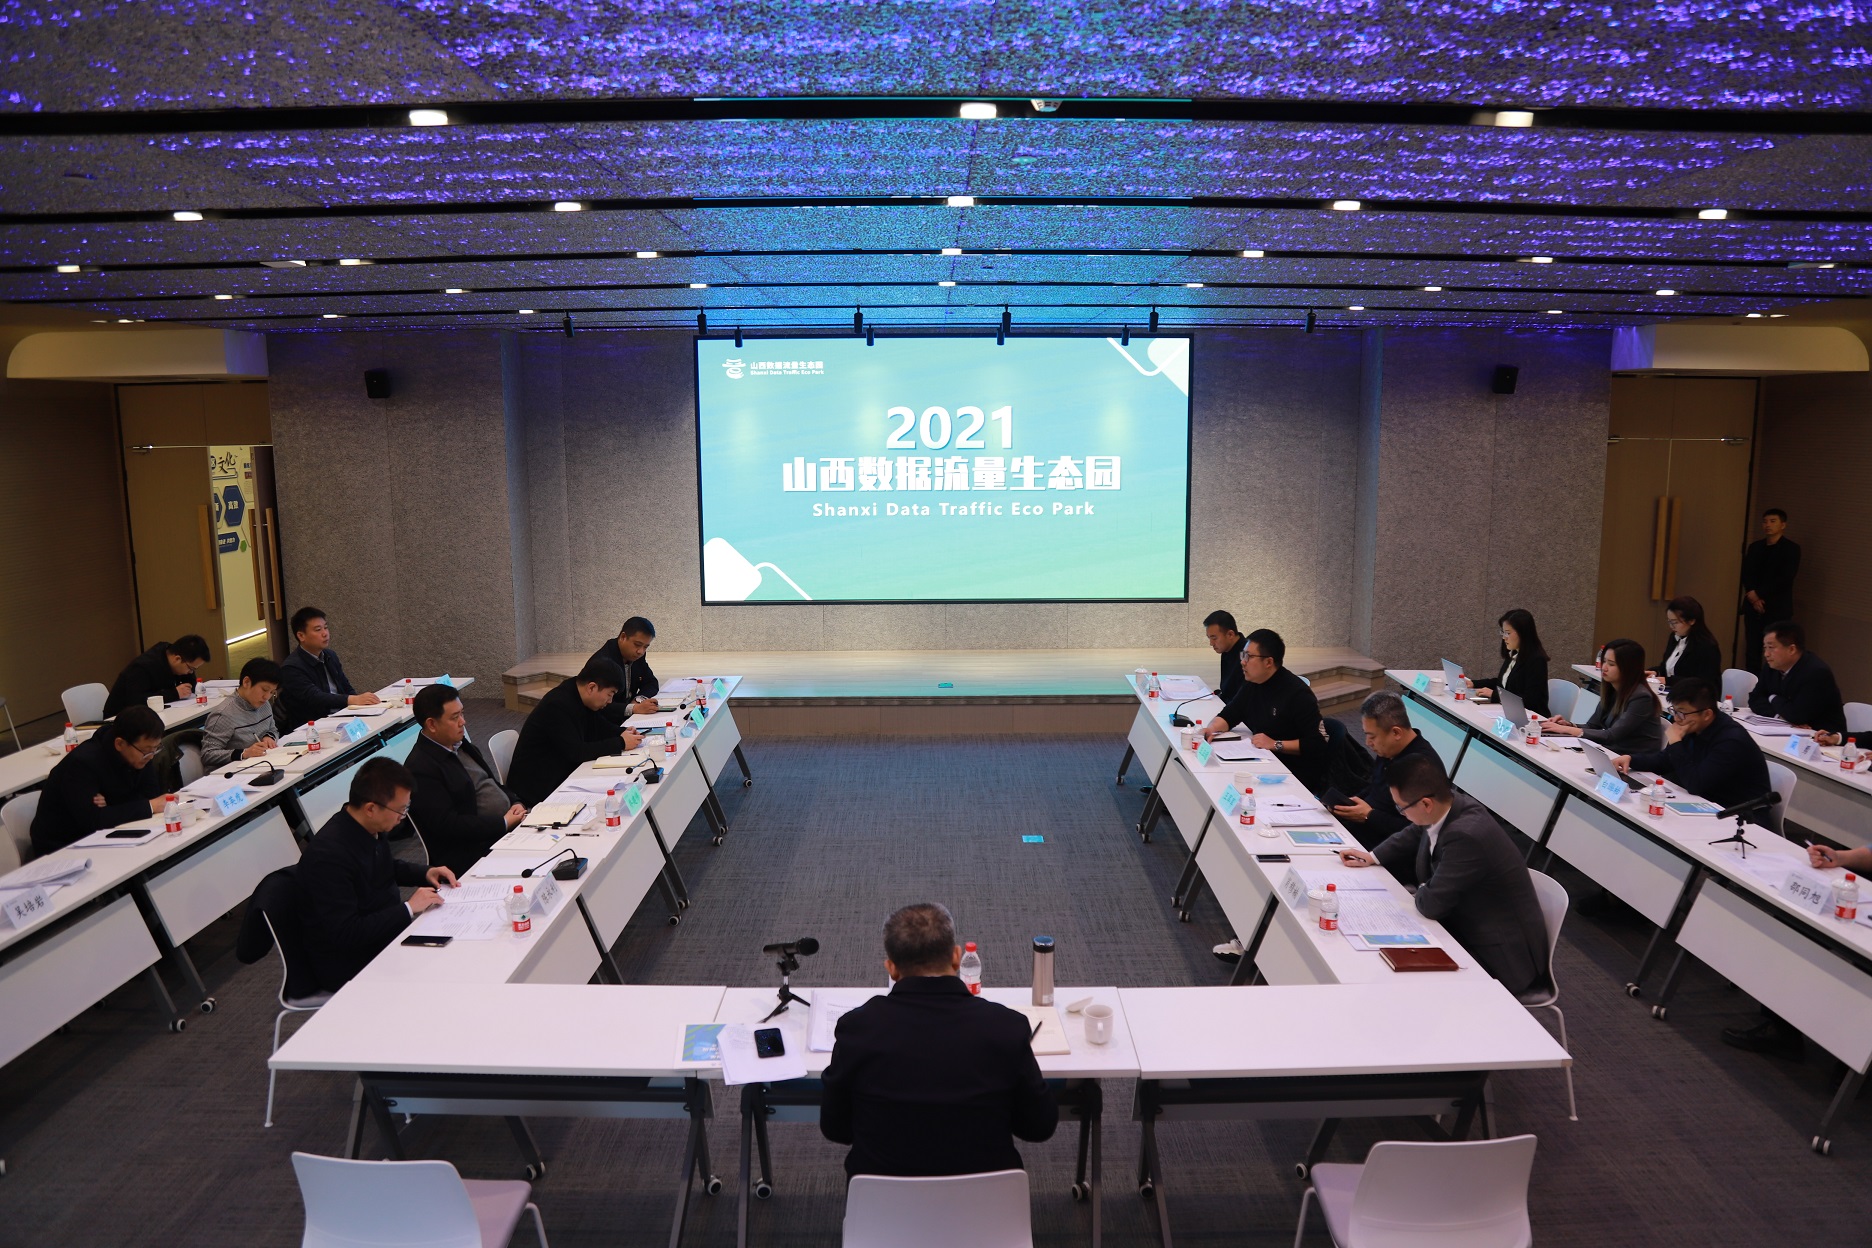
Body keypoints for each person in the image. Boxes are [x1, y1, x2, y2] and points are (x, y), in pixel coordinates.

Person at [820, 902, 1057, 1176]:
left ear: (891, 969)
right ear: (956, 958)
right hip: (985, 1201)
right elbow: (1039, 1127)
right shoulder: (1007, 1028)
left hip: (881, 1201)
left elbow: (836, 1128)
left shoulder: (856, 1029)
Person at [1337, 752, 1549, 996]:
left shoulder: (1466, 835)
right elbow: (1416, 831)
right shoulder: (1449, 805)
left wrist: (1422, 887)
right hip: (1465, 922)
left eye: (1401, 807)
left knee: (1400, 981)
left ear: (1426, 804)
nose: (1401, 813)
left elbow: (1431, 905)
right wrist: (1373, 857)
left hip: (1500, 956)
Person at [298, 757, 458, 991]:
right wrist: (408, 908)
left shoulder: (365, 825)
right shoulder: (328, 856)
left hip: (383, 933)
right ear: (371, 808)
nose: (402, 817)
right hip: (351, 961)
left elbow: (383, 867)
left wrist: (426, 873)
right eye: (400, 810)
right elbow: (346, 932)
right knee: (444, 975)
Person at [404, 683, 528, 876]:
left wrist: (515, 802)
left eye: (462, 713)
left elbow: (491, 783)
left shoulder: (460, 744)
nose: (463, 722)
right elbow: (449, 826)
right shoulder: (420, 768)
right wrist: (503, 823)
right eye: (455, 717)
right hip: (475, 850)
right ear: (432, 724)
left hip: (506, 828)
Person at [1616, 677, 1772, 818]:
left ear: (1707, 714)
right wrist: (1631, 759)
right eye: (1674, 711)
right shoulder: (1694, 726)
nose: (1676, 718)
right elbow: (1665, 760)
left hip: (1740, 816)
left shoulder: (1731, 740)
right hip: (1706, 804)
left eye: (1682, 713)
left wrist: (1676, 742)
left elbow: (1695, 784)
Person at [1200, 628, 1328, 792]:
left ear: (1268, 662)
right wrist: (1211, 729)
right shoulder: (1253, 682)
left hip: (1292, 773)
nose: (1243, 662)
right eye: (1243, 655)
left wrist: (1275, 744)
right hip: (1263, 760)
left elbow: (1318, 743)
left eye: (1249, 656)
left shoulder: (1297, 694)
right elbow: (1230, 714)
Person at [30, 705, 168, 856]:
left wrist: (111, 805)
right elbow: (93, 821)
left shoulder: (140, 754)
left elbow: (151, 794)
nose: (151, 756)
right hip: (63, 847)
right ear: (120, 744)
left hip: (105, 835)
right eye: (147, 751)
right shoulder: (82, 763)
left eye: (155, 748)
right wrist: (147, 806)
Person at [504, 659, 644, 805]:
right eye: (610, 694)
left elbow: (598, 726)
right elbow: (577, 752)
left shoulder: (578, 693)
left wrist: (622, 732)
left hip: (559, 772)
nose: (610, 701)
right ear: (591, 687)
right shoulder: (557, 705)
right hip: (537, 788)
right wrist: (621, 743)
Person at [1331, 690, 1442, 849]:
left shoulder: (1422, 768)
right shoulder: (1389, 750)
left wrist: (1369, 816)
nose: (1368, 743)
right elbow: (1375, 789)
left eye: (1372, 736)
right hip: (1362, 830)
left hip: (1386, 847)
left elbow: (1420, 832)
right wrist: (1348, 804)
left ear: (1396, 732)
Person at [1542, 638, 1664, 755]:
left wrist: (1568, 730)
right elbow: (1592, 726)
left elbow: (1611, 735)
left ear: (1628, 668)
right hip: (1611, 752)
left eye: (1611, 664)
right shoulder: (1613, 689)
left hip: (1632, 760)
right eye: (1604, 661)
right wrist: (1569, 725)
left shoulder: (1642, 698)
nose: (1604, 668)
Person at [278, 606, 381, 730]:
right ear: (301, 636)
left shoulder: (330, 655)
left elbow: (345, 686)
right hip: (314, 727)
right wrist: (353, 699)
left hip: (341, 717)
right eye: (318, 629)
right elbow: (315, 697)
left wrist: (361, 707)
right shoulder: (291, 667)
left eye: (326, 627)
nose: (325, 633)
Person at [1748, 621, 1846, 736]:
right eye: (1765, 648)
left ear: (1791, 649)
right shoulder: (1771, 667)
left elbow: (1797, 715)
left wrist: (1772, 697)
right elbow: (1754, 699)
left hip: (1821, 737)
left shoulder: (1816, 672)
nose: (1766, 654)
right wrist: (1778, 717)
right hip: (1790, 730)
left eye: (1771, 647)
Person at [1740, 508, 1799, 674]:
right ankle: (1752, 684)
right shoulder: (1755, 547)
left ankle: (1771, 684)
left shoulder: (1791, 549)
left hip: (1776, 608)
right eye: (1765, 521)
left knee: (1775, 651)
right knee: (1752, 649)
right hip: (1753, 606)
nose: (1768, 525)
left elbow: (1785, 578)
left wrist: (1759, 594)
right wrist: (1753, 596)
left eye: (1773, 521)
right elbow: (1747, 573)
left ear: (1783, 525)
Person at [200, 658, 282, 769]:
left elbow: (273, 729)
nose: (267, 697)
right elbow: (207, 755)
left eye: (272, 692)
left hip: (261, 764)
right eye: (264, 689)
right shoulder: (223, 714)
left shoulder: (265, 704)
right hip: (231, 773)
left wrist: (269, 737)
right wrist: (244, 753)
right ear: (246, 682)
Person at [102, 635, 212, 717]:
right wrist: (174, 693)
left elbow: (190, 685)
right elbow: (137, 701)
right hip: (121, 719)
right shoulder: (142, 667)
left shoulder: (173, 658)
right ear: (177, 659)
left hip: (153, 715)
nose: (191, 672)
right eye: (191, 668)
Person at [1470, 608, 1550, 716]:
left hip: (1530, 718)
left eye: (1507, 633)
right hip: (1509, 711)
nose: (1504, 637)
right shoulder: (1514, 653)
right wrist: (1474, 683)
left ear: (1522, 633)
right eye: (1503, 632)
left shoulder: (1537, 660)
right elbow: (1503, 682)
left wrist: (1495, 695)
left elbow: (1531, 701)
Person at [587, 616, 661, 724]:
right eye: (637, 645)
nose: (641, 651)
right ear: (623, 637)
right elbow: (599, 704)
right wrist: (633, 708)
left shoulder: (636, 656)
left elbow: (651, 682)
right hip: (606, 723)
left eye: (646, 647)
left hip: (629, 719)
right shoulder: (603, 662)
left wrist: (638, 700)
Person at [1660, 596, 1722, 694]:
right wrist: (1656, 672)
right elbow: (1667, 668)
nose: (1671, 626)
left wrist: (1668, 681)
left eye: (1675, 622)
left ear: (1692, 621)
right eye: (1669, 621)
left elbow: (1703, 682)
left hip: (1696, 697)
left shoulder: (1707, 646)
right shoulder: (1674, 637)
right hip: (1673, 692)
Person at [1203, 610, 1247, 703]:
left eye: (1214, 638)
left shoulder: (1248, 655)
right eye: (1209, 638)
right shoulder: (1227, 649)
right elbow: (1227, 690)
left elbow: (1243, 699)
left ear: (1230, 634)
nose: (1211, 643)